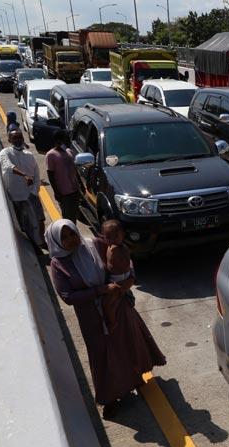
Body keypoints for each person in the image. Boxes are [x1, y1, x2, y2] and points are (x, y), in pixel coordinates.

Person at [46, 219, 166, 418]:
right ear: (56, 241)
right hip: (91, 316)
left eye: (72, 234)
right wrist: (100, 290)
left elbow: (123, 260)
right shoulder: (58, 264)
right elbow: (68, 297)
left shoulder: (96, 244)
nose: (70, 240)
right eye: (64, 237)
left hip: (118, 304)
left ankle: (135, 377)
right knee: (103, 354)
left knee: (127, 342)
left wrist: (129, 279)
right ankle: (110, 398)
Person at [0, 129, 45, 249]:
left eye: (20, 137)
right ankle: (34, 246)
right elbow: (8, 166)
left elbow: (37, 174)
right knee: (24, 224)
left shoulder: (29, 155)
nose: (18, 139)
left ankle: (42, 242)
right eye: (15, 138)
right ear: (10, 140)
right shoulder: (5, 153)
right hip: (17, 197)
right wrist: (24, 175)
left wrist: (34, 191)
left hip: (32, 195)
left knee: (40, 219)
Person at [100, 220, 131, 333]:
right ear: (102, 237)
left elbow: (126, 263)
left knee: (107, 303)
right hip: (122, 276)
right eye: (109, 237)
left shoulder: (115, 248)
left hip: (118, 278)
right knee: (111, 302)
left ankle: (112, 321)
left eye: (116, 236)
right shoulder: (120, 247)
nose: (113, 240)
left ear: (123, 235)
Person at [46, 130, 82, 224]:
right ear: (58, 140)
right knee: (67, 218)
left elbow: (74, 169)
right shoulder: (51, 155)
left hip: (74, 190)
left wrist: (80, 184)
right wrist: (56, 192)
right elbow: (50, 175)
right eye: (65, 139)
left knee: (74, 215)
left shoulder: (69, 151)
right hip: (64, 193)